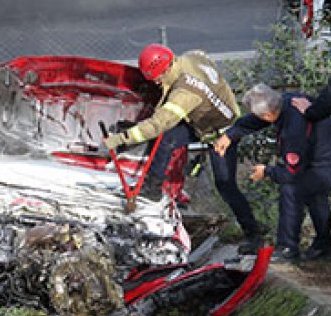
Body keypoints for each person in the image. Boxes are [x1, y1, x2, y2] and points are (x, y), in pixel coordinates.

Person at [102, 44, 262, 249]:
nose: (158, 84)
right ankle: (152, 189)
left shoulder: (185, 93)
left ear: (167, 69)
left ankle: (254, 235)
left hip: (222, 132)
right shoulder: (190, 58)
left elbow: (158, 124)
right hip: (206, 115)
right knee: (167, 139)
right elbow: (204, 58)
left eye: (158, 79)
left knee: (225, 184)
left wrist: (120, 139)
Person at [223, 84, 331, 262]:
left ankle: (287, 248)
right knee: (314, 194)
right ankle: (323, 245)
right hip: (322, 156)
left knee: (291, 190)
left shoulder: (292, 131)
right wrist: (231, 134)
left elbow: (292, 174)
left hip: (327, 163)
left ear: (268, 115)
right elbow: (257, 119)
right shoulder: (285, 101)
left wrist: (267, 171)